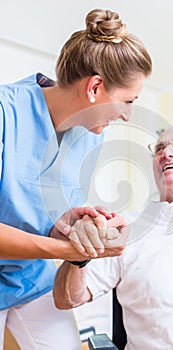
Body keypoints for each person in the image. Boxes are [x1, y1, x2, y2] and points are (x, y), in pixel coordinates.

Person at [0, 8, 152, 350]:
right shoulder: (4, 112)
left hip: (28, 278)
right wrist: (67, 249)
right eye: (128, 101)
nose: (127, 115)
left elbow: (47, 217)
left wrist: (76, 225)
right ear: (95, 87)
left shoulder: (90, 134)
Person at [53, 124, 173, 350]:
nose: (166, 153)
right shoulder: (126, 229)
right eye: (159, 149)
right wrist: (78, 253)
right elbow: (66, 299)